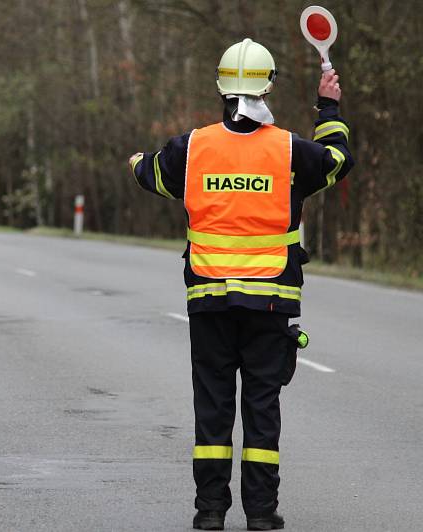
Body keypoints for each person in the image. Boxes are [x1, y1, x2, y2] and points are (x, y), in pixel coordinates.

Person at [128, 38, 354, 530]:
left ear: (220, 88)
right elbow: (337, 159)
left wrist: (137, 161)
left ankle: (209, 512)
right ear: (268, 86)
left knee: (212, 404)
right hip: (271, 302)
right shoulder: (289, 150)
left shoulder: (190, 148)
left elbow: (151, 176)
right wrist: (329, 105)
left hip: (208, 299)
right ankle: (262, 513)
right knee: (261, 405)